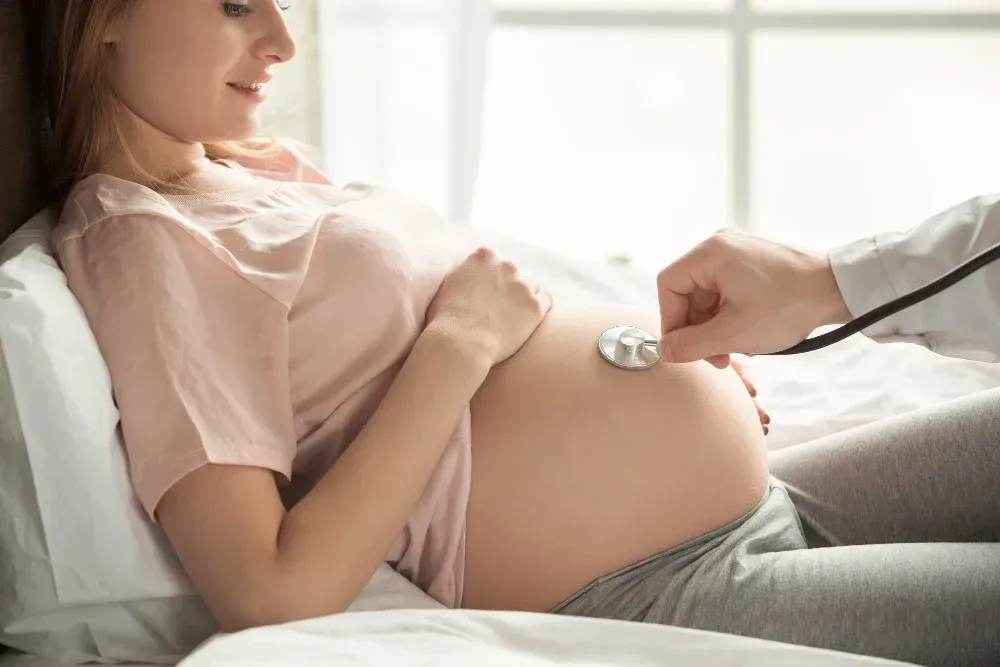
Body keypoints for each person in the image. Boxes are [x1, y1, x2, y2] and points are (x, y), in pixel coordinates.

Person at [31, 1, 996, 666]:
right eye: (237, 2)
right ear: (101, 14)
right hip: (664, 583)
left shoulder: (243, 177)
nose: (284, 40)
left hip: (770, 492)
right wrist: (459, 344)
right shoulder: (140, 241)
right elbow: (271, 592)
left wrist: (671, 393)